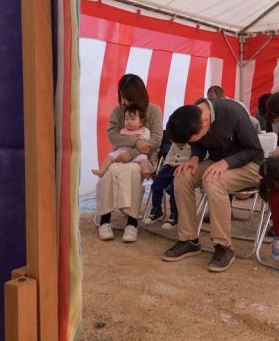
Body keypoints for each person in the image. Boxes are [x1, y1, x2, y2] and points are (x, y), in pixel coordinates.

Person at [161, 97, 263, 272]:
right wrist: (194, 158)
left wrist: (226, 163)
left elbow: (255, 150)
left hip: (250, 165)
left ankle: (223, 247)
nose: (193, 141)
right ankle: (189, 240)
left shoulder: (233, 113)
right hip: (216, 161)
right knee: (183, 176)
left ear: (205, 122)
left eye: (195, 137)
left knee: (213, 181)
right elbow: (199, 145)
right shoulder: (191, 115)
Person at [95, 74, 163, 243]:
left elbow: (155, 140)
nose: (124, 101)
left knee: (132, 170)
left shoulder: (154, 111)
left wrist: (132, 154)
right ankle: (105, 220)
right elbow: (113, 136)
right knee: (109, 171)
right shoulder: (118, 111)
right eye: (122, 97)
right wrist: (137, 141)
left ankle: (132, 223)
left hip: (145, 159)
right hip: (119, 156)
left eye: (127, 98)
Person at [145, 137, 196, 229]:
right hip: (169, 167)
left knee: (174, 188)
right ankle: (156, 210)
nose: (173, 142)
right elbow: (170, 154)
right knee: (156, 184)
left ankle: (174, 214)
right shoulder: (174, 143)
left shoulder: (194, 143)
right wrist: (165, 165)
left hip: (183, 169)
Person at [91, 104, 153, 177]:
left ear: (141, 122)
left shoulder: (145, 131)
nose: (129, 121)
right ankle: (101, 171)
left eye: (132, 119)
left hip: (137, 152)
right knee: (109, 156)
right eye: (126, 119)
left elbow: (147, 144)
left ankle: (146, 172)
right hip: (121, 151)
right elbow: (118, 143)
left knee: (143, 159)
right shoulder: (122, 131)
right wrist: (114, 150)